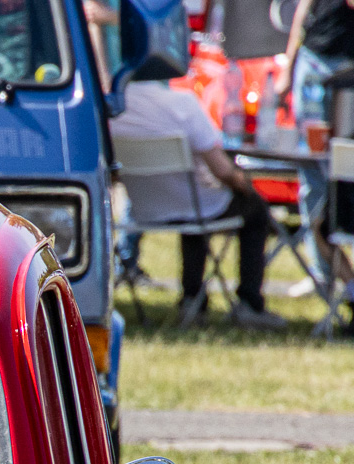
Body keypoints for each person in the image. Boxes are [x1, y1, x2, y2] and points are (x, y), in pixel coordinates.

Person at [110, 72, 289, 330]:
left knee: (194, 214)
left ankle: (192, 301)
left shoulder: (112, 110)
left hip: (144, 211)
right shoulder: (181, 103)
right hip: (194, 206)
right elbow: (223, 171)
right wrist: (244, 185)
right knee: (253, 209)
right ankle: (250, 303)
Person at [277, 0, 354, 277]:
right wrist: (289, 64)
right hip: (312, 61)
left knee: (345, 167)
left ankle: (342, 277)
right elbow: (304, 8)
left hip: (348, 71)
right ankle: (322, 274)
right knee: (311, 166)